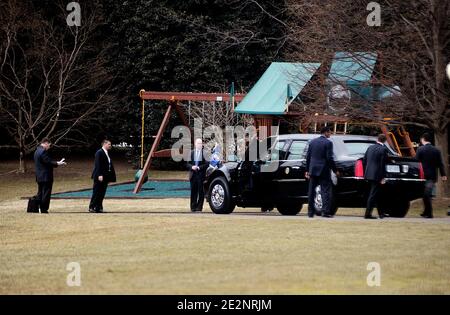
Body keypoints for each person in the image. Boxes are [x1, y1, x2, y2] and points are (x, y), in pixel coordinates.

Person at [305, 126, 338, 218]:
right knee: (325, 191)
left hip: (313, 169)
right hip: (323, 170)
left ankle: (310, 212)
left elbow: (308, 157)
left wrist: (307, 170)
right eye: (330, 132)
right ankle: (325, 211)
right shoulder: (328, 143)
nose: (330, 134)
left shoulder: (312, 142)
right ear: (326, 132)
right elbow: (329, 158)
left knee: (311, 192)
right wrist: (335, 170)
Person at [415, 133, 447, 218]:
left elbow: (416, 162)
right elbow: (440, 164)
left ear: (423, 139)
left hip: (421, 175)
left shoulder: (420, 149)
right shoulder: (436, 150)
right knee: (426, 194)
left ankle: (429, 213)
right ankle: (426, 212)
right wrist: (443, 174)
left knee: (426, 194)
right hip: (432, 175)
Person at [33, 138, 66, 213]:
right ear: (46, 143)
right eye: (49, 145)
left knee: (40, 192)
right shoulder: (43, 151)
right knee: (46, 193)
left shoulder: (36, 151)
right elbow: (48, 162)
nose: (49, 147)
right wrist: (58, 163)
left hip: (39, 176)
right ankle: (43, 209)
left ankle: (37, 207)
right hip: (46, 176)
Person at [363, 134, 389, 219]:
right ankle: (368, 214)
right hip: (377, 175)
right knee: (373, 194)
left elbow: (364, 161)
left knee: (378, 193)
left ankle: (381, 213)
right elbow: (383, 164)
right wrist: (383, 177)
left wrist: (366, 172)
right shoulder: (383, 149)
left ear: (378, 139)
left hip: (369, 173)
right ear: (385, 141)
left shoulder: (370, 147)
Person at [89, 139, 116, 213]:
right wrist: (99, 175)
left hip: (105, 176)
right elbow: (98, 164)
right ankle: (92, 207)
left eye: (110, 144)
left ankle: (99, 207)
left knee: (102, 193)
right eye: (109, 144)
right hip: (99, 176)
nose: (110, 146)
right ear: (104, 144)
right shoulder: (99, 152)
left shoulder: (107, 153)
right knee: (96, 192)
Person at [187, 138, 208, 212]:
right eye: (198, 143)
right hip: (193, 175)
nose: (200, 145)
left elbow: (207, 164)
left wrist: (199, 167)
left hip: (201, 175)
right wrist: (192, 167)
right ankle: (193, 207)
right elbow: (187, 164)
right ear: (195, 144)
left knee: (201, 192)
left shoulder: (204, 153)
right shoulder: (191, 153)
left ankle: (199, 207)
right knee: (193, 191)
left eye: (201, 143)